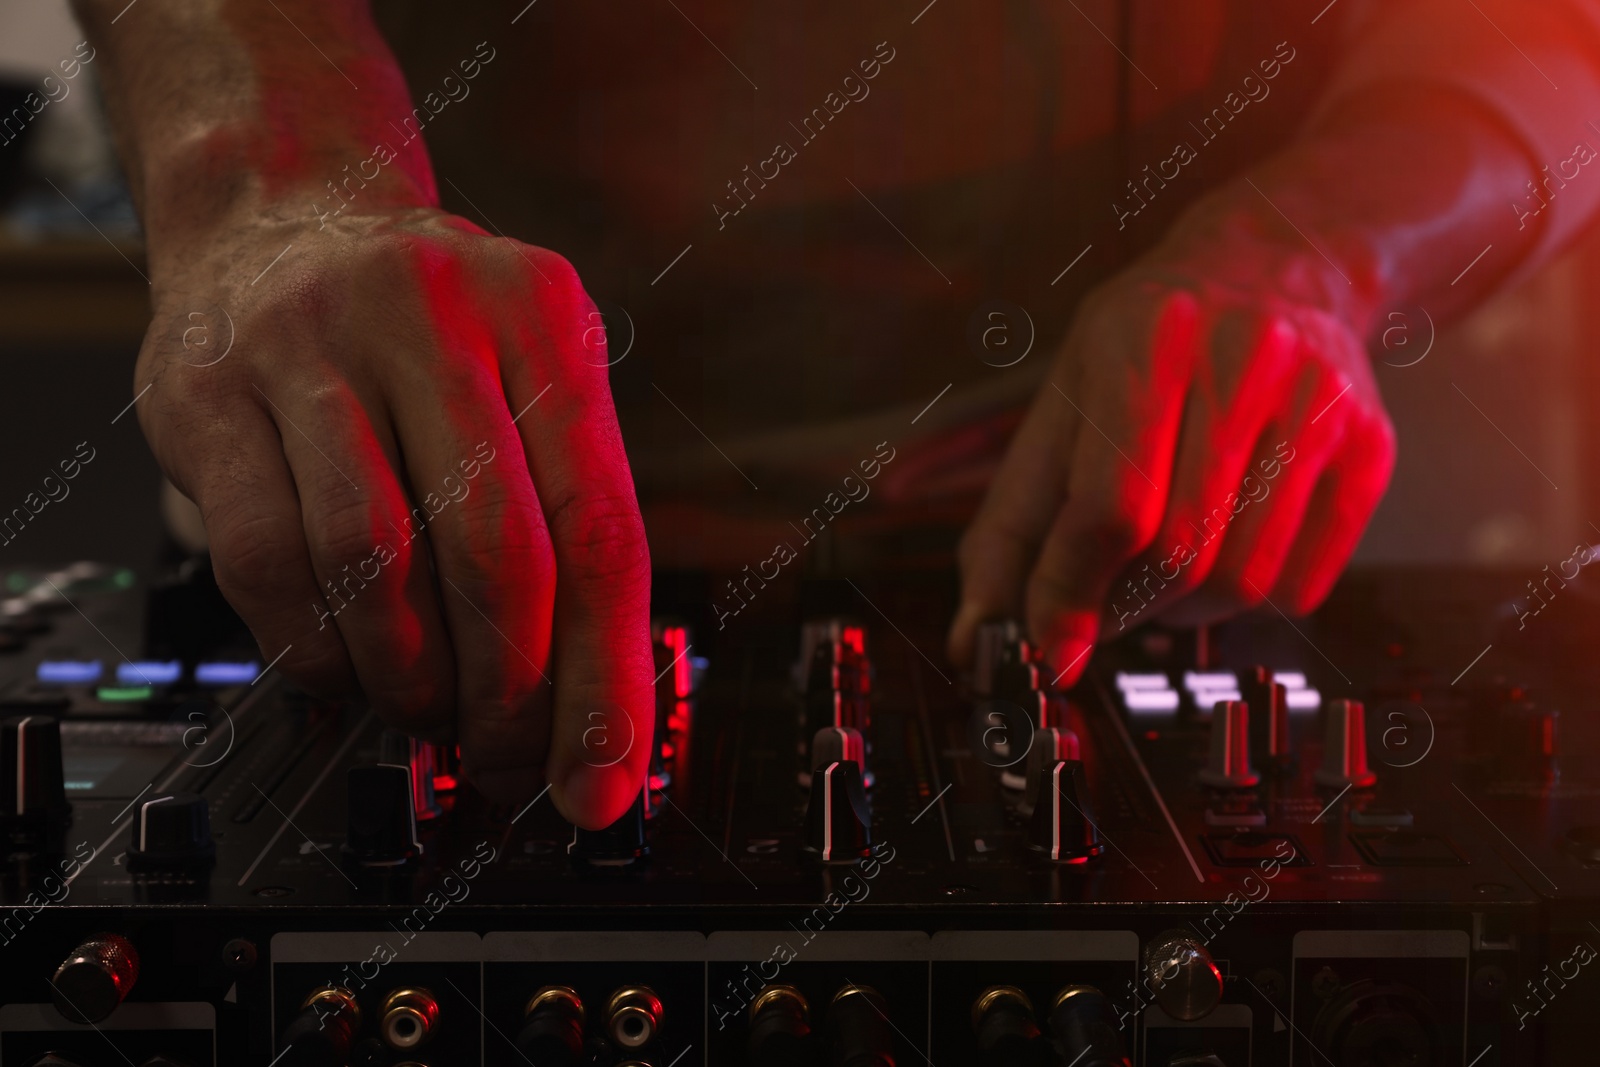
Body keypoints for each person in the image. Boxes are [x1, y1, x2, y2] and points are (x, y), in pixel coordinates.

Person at [68, 0, 1600, 830]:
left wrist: (1321, 256)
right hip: (396, 543)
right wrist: (275, 184)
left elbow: (1539, 42)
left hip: (1110, 566)